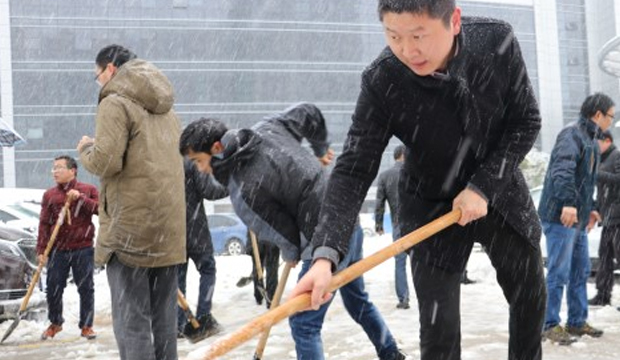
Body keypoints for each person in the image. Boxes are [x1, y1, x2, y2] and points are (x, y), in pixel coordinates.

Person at [290, 1, 547, 360]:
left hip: (498, 191)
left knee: (530, 298)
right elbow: (352, 169)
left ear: (454, 21)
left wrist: (482, 185)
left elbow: (526, 121)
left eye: (418, 35)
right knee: (438, 331)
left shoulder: (495, 40)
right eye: (393, 36)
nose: (407, 51)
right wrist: (325, 254)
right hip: (430, 203)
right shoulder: (383, 79)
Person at [179, 103, 405, 360]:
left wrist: (291, 251)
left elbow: (283, 233)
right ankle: (391, 354)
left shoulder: (242, 190)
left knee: (303, 323)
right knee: (358, 302)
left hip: (323, 244)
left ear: (216, 148)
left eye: (198, 161)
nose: (199, 169)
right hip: (347, 218)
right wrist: (319, 149)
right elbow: (309, 113)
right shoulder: (267, 127)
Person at [77, 44, 186, 360]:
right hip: (167, 232)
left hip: (130, 232)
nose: (98, 82)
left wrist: (86, 149)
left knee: (132, 323)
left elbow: (107, 161)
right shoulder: (167, 108)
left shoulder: (115, 102)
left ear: (110, 69)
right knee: (165, 324)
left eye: (97, 75)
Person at [538, 93, 613, 345]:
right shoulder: (571, 134)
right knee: (559, 272)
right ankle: (548, 324)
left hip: (577, 218)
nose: (611, 122)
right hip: (561, 217)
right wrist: (568, 203)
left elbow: (585, 181)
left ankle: (577, 321)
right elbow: (563, 170)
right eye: (611, 116)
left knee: (580, 271)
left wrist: (590, 207)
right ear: (598, 114)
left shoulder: (590, 138)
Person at [37, 155, 99, 340]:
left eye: (59, 168)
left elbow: (100, 209)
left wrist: (80, 199)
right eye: (53, 168)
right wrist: (41, 250)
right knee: (53, 287)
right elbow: (44, 224)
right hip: (58, 250)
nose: (54, 172)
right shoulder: (50, 195)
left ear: (73, 171)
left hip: (83, 248)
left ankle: (86, 325)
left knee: (86, 288)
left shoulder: (88, 189)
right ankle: (55, 323)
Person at [177, 158, 228, 338]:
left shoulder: (164, 162)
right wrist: (229, 185)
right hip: (195, 230)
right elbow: (209, 190)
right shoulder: (191, 162)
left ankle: (179, 323)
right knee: (208, 270)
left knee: (178, 278)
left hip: (173, 233)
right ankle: (204, 316)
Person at [375, 144, 411, 309]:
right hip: (418, 224)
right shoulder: (414, 173)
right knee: (422, 262)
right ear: (404, 155)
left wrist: (379, 223)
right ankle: (429, 299)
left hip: (398, 224)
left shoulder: (385, 176)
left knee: (400, 262)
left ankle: (403, 299)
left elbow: (379, 203)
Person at [589, 131, 620, 307]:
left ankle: (604, 294)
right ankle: (603, 295)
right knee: (605, 257)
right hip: (608, 218)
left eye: (597, 142)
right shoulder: (602, 160)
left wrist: (598, 175)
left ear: (607, 141)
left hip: (618, 218)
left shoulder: (617, 156)